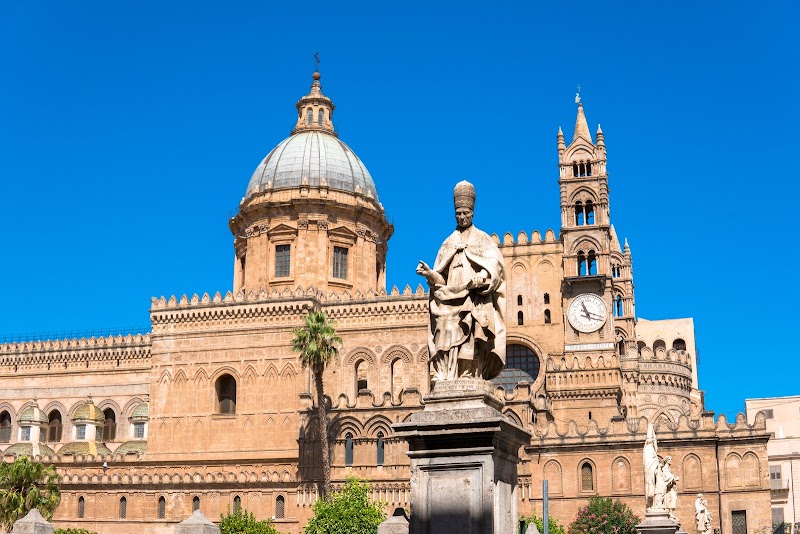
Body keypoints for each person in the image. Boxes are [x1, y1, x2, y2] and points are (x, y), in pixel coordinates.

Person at [417, 181, 506, 382]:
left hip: (474, 296)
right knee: (443, 330)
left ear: (472, 213)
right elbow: (441, 279)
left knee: (472, 334)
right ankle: (448, 373)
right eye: (459, 214)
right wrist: (430, 274)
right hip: (450, 297)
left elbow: (495, 266)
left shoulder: (483, 240)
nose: (462, 217)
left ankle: (469, 375)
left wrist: (482, 277)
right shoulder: (448, 242)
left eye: (465, 213)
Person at [643, 424, 659, 508]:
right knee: (649, 480)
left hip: (653, 470)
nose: (651, 441)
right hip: (649, 472)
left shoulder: (651, 450)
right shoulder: (647, 450)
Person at [662, 456, 680, 520]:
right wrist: (674, 478)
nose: (670, 460)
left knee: (673, 498)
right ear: (666, 460)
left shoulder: (668, 468)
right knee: (672, 498)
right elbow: (667, 477)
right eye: (669, 459)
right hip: (668, 488)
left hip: (670, 487)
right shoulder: (665, 468)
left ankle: (670, 512)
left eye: (671, 459)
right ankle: (670, 513)